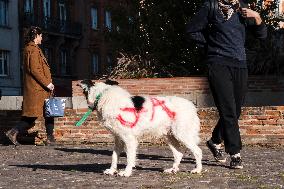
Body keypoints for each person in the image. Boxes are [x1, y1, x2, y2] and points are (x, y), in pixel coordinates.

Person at [186, 0, 267, 169]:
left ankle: (215, 140)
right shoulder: (210, 6)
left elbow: (262, 35)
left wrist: (257, 16)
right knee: (228, 110)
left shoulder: (243, 8)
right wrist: (210, 45)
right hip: (217, 64)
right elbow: (192, 29)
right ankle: (235, 153)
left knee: (235, 110)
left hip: (240, 64)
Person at [5, 26, 56, 146]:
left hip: (39, 89)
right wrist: (47, 83)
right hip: (38, 90)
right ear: (36, 36)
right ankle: (13, 131)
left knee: (48, 113)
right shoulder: (32, 49)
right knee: (34, 116)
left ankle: (50, 138)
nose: (42, 38)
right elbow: (35, 69)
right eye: (41, 36)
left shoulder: (33, 48)